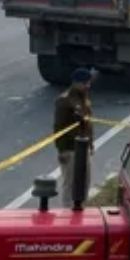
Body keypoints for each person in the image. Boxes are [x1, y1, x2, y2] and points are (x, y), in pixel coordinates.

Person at [53, 68, 94, 205]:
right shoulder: (64, 101)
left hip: (84, 146)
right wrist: (62, 150)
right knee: (70, 183)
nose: (88, 86)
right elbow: (59, 128)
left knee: (85, 181)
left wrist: (91, 144)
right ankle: (67, 212)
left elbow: (88, 123)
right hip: (70, 149)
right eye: (85, 83)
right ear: (76, 83)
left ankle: (82, 208)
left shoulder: (84, 98)